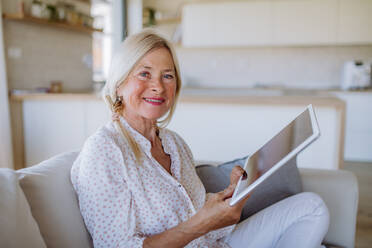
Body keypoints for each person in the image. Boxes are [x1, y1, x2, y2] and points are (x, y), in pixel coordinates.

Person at [71, 29, 330, 248]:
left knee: (312, 207)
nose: (158, 86)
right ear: (119, 83)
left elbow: (190, 207)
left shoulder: (174, 143)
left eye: (167, 76)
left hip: (217, 242)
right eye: (144, 73)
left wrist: (228, 197)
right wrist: (203, 223)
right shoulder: (104, 149)